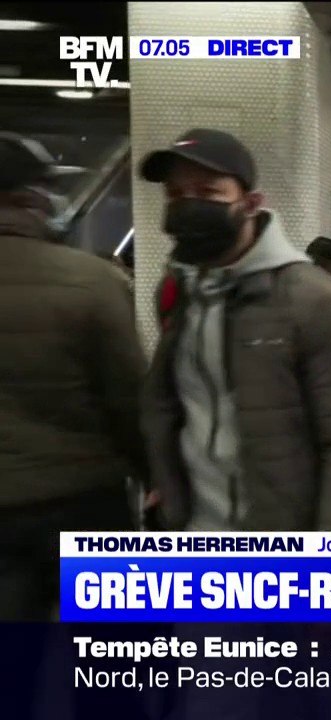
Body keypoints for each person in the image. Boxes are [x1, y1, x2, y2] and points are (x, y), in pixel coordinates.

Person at [139, 127, 331, 532]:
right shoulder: (179, 290)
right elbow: (170, 404)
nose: (188, 205)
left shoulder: (314, 300)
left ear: (251, 204)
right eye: (176, 194)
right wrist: (163, 481)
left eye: (208, 192)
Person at [0, 132, 148, 621]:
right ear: (29, 197)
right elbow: (129, 399)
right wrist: (156, 477)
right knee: (111, 663)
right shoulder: (93, 282)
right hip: (86, 500)